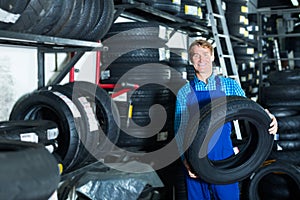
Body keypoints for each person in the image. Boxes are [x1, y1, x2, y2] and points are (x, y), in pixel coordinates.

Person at [174, 39, 278, 200]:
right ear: (190, 60)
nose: (201, 60)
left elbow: (250, 109)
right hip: (194, 158)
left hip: (224, 156)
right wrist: (185, 160)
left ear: (213, 56)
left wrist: (269, 118)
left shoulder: (229, 85)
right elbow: (179, 130)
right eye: (196, 55)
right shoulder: (184, 92)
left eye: (205, 54)